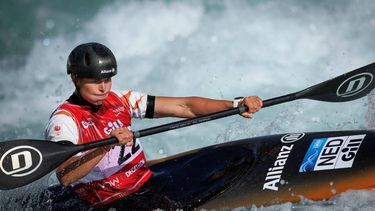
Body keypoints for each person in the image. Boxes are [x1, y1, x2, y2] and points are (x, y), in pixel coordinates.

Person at [45, 42, 263, 210]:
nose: (103, 88)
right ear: (75, 79)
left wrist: (235, 105)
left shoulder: (120, 99)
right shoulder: (64, 120)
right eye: (95, 81)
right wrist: (105, 146)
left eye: (108, 79)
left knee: (228, 160)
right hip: (109, 201)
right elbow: (65, 175)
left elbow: (184, 106)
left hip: (145, 181)